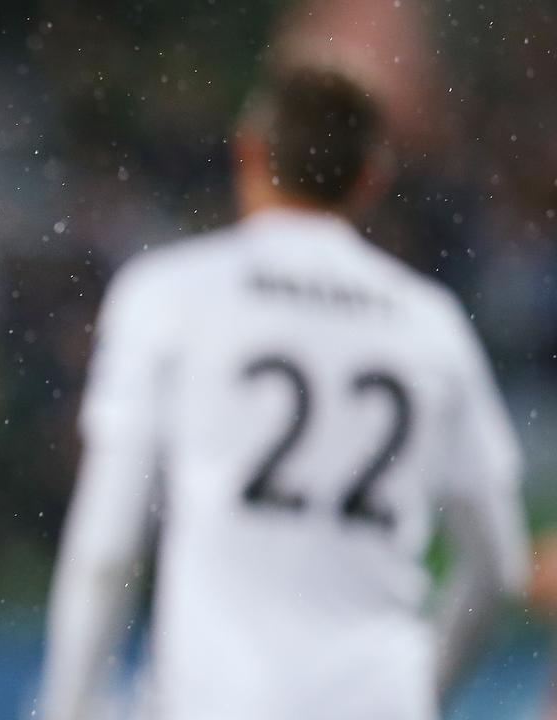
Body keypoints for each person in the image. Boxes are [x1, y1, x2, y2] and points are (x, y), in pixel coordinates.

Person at [36, 67, 527, 720]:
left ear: (248, 152)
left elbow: (108, 547)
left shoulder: (170, 295)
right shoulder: (432, 326)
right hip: (379, 700)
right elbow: (498, 565)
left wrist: (69, 704)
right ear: (370, 179)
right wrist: (419, 687)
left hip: (216, 700)